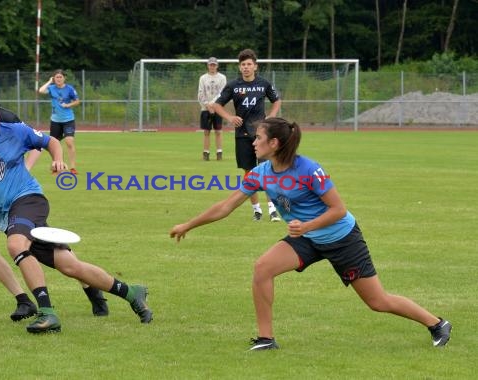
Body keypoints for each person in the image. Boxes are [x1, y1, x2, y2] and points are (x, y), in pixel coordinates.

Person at [170, 117, 452, 351]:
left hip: (341, 239)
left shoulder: (308, 169)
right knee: (262, 268)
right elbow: (226, 206)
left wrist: (306, 227)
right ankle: (266, 339)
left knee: (377, 302)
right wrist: (187, 225)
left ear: (274, 143)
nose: (252, 142)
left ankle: (437, 323)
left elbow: (339, 209)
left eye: (258, 138)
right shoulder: (260, 172)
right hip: (306, 238)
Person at [0, 87, 152, 333]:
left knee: (15, 245)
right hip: (4, 214)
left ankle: (47, 313)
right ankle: (132, 293)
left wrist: (57, 158)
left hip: (29, 199)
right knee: (69, 266)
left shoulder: (16, 131)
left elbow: (50, 141)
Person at [0, 63, 108, 321]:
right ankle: (23, 300)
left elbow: (37, 142)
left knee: (45, 245)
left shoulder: (4, 117)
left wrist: (25, 167)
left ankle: (89, 285)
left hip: (14, 193)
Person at [212, 49, 281, 222]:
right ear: (239, 67)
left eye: (249, 64)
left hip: (262, 135)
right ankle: (256, 210)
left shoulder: (264, 84)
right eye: (243, 64)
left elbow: (277, 100)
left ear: (255, 66)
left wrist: (271, 116)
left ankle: (272, 209)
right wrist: (229, 117)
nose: (246, 67)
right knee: (249, 172)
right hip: (242, 134)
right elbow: (217, 105)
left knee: (267, 171)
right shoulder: (233, 86)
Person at [38, 69, 80, 175]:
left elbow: (77, 101)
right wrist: (49, 81)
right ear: (54, 78)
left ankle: (73, 168)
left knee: (69, 142)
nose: (59, 79)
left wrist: (68, 105)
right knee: (53, 145)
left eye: (60, 77)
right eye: (56, 77)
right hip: (55, 121)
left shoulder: (69, 89)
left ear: (64, 78)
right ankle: (56, 167)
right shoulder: (51, 88)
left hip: (68, 120)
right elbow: (41, 91)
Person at [198, 57, 227, 161]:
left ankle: (219, 152)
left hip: (218, 108)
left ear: (217, 66)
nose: (212, 67)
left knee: (218, 131)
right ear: (208, 65)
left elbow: (223, 93)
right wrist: (207, 105)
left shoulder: (222, 78)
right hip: (205, 109)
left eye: (214, 65)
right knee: (206, 131)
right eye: (211, 65)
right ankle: (206, 153)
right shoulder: (203, 78)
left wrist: (213, 105)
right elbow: (200, 94)